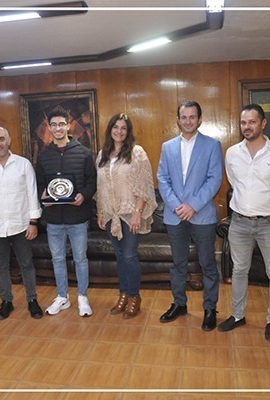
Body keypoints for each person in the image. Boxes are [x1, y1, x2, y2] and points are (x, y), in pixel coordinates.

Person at [218, 104, 270, 341]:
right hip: (239, 222)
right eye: (243, 123)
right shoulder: (232, 153)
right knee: (239, 270)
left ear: (263, 123)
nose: (247, 127)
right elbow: (234, 183)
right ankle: (238, 315)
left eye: (252, 122)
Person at [157, 100, 223, 331]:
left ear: (199, 119)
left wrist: (192, 205)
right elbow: (162, 179)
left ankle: (209, 308)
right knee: (178, 264)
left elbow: (214, 179)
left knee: (207, 263)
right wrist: (178, 206)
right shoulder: (168, 147)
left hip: (202, 215)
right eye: (183, 117)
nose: (188, 121)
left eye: (192, 117)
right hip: (175, 215)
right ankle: (179, 303)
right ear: (178, 120)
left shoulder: (212, 145)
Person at [0, 126, 43, 320]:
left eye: (1, 139)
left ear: (9, 140)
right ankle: (6, 301)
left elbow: (32, 194)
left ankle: (32, 300)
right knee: (1, 266)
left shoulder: (23, 164)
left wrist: (33, 222)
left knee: (26, 264)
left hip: (21, 225)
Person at [35, 108, 97, 317]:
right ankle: (62, 297)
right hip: (53, 219)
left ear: (68, 126)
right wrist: (43, 196)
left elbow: (92, 182)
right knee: (57, 259)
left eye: (61, 124)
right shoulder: (44, 156)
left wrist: (83, 196)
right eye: (53, 125)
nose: (58, 128)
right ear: (49, 127)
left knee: (80, 259)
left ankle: (82, 297)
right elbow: (39, 183)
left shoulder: (84, 153)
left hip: (78, 218)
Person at [96, 113, 157, 319]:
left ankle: (134, 297)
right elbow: (100, 187)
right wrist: (100, 211)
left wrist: (138, 214)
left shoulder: (136, 153)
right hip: (110, 215)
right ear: (110, 130)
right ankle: (123, 294)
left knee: (130, 256)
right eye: (116, 127)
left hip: (130, 213)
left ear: (128, 131)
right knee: (120, 256)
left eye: (123, 128)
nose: (119, 131)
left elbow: (144, 185)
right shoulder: (102, 155)